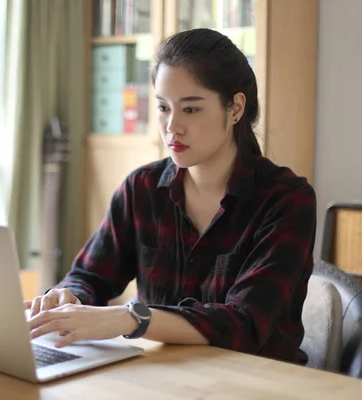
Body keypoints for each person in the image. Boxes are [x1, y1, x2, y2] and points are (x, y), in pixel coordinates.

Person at [25, 28, 317, 365]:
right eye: (164, 108)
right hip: (166, 376)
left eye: (191, 110)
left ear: (236, 108)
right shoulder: (143, 189)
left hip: (259, 383)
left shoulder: (287, 201)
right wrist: (69, 296)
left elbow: (244, 323)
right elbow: (91, 274)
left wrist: (131, 318)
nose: (172, 126)